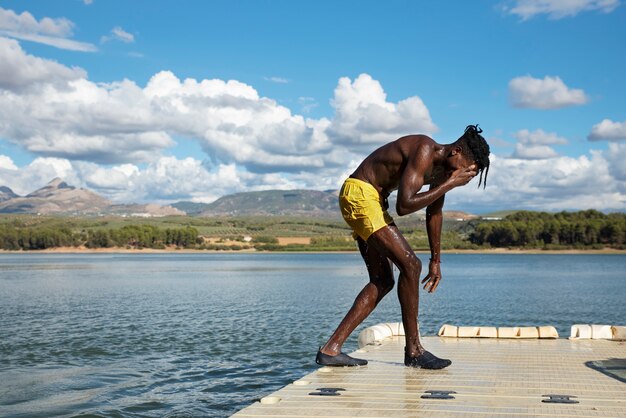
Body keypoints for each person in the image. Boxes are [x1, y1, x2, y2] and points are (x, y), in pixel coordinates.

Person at [316, 125, 490, 369]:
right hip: (360, 194)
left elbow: (434, 213)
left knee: (383, 280)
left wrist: (436, 260)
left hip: (372, 200)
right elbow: (405, 204)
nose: (465, 176)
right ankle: (414, 351)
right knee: (410, 264)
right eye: (466, 169)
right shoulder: (424, 148)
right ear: (456, 151)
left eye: (470, 175)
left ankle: (331, 349)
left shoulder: (442, 173)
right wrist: (450, 184)